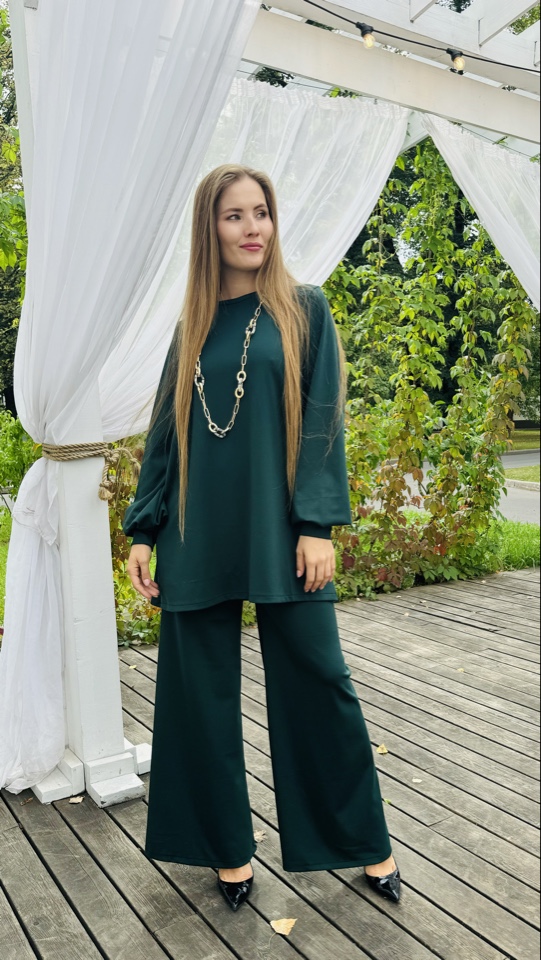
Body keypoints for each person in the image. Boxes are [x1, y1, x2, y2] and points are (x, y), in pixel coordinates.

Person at [123, 164, 401, 913]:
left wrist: (316, 524)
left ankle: (360, 840)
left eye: (261, 212)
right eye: (234, 216)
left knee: (320, 679)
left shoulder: (305, 309)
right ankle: (225, 850)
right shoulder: (191, 326)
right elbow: (165, 437)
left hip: (283, 531)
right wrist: (143, 530)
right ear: (209, 229)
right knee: (197, 696)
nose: (253, 228)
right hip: (194, 531)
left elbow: (322, 422)